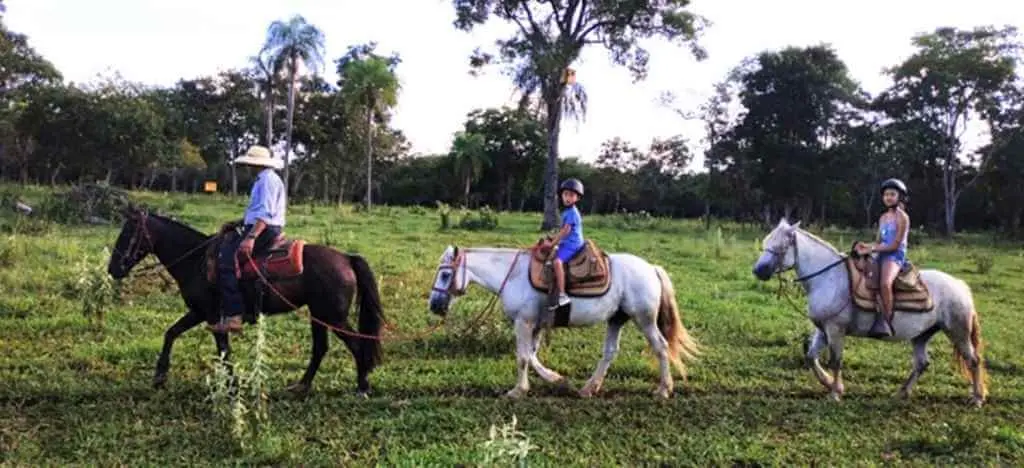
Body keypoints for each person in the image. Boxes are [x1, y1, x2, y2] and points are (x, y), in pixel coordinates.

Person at [209, 145, 287, 334]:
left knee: (226, 258)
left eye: (249, 164)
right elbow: (257, 212)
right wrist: (237, 223)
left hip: (264, 228)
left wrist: (251, 237)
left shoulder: (267, 180)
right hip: (260, 225)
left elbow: (265, 213)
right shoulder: (265, 178)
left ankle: (234, 315)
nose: (248, 168)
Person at [855, 178, 910, 338]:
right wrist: (865, 246)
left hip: (895, 255)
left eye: (892, 194)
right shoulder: (883, 217)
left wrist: (872, 248)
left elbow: (894, 245)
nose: (888, 197)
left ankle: (887, 319)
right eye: (886, 195)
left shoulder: (903, 217)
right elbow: (878, 242)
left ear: (900, 197)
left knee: (885, 283)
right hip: (881, 252)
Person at [546, 178, 586, 310]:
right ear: (561, 195)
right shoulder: (567, 212)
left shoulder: (572, 213)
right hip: (567, 241)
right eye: (565, 194)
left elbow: (565, 231)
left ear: (577, 198)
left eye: (571, 195)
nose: (567, 198)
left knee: (557, 262)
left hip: (573, 243)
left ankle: (563, 294)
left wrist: (553, 243)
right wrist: (553, 239)